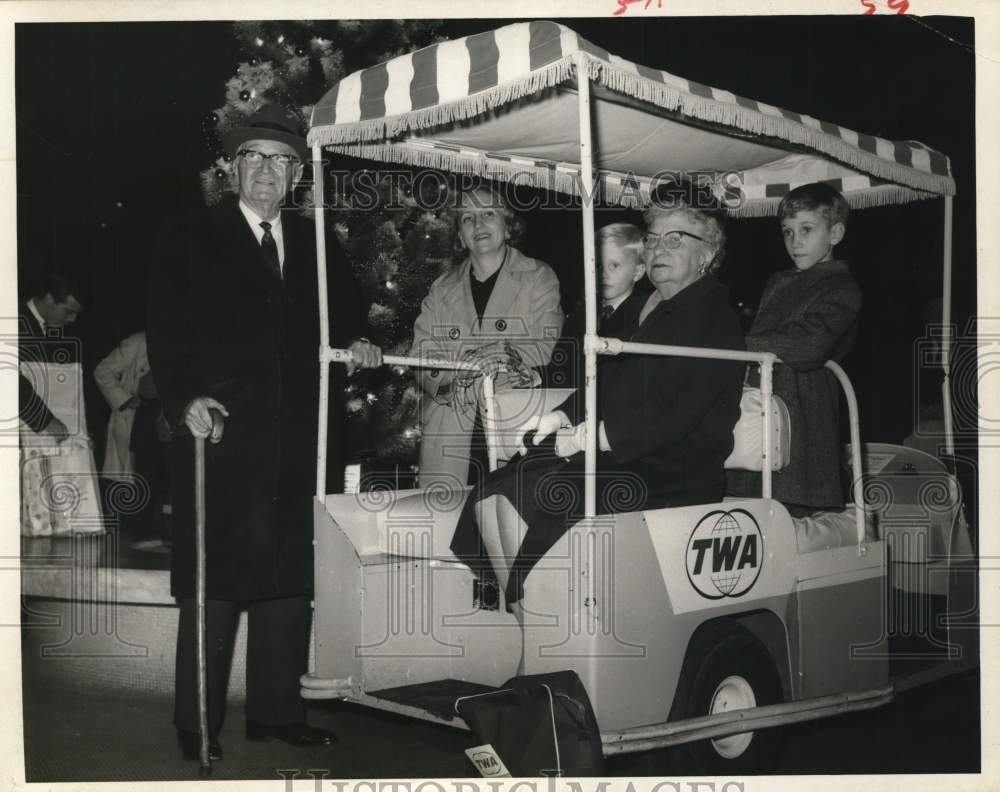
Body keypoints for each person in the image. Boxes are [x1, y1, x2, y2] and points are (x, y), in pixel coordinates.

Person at [146, 103, 382, 761]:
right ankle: (196, 722)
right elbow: (165, 329)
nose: (266, 171)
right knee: (214, 580)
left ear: (298, 176)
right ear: (233, 167)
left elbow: (348, 317)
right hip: (221, 434)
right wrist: (184, 397)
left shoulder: (315, 241)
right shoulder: (192, 235)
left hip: (300, 438)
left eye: (281, 161)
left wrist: (361, 340)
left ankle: (276, 713)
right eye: (253, 157)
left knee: (290, 577)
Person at [450, 181, 745, 612]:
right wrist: (561, 417)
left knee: (553, 489)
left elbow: (673, 415)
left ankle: (541, 606)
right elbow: (608, 383)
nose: (658, 249)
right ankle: (500, 594)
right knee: (507, 476)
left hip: (675, 471)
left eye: (676, 239)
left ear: (708, 252)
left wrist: (591, 437)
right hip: (632, 457)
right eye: (653, 238)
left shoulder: (712, 317)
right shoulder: (653, 309)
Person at [410, 185, 563, 488]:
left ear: (508, 226)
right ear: (460, 235)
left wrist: (492, 359)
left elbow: (547, 346)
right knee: (448, 516)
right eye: (467, 218)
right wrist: (460, 378)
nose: (478, 224)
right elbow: (421, 357)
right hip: (450, 435)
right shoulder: (441, 289)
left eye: (488, 214)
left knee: (506, 514)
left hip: (514, 428)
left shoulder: (538, 277)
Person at [731, 182, 862, 515]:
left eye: (806, 230)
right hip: (760, 411)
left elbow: (808, 344)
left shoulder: (841, 286)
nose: (795, 242)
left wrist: (735, 343)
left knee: (790, 516)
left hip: (805, 415)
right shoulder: (778, 281)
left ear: (835, 234)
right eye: (787, 232)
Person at [546, 222, 650, 390]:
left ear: (638, 272)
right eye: (598, 266)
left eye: (614, 265)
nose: (603, 274)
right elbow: (560, 368)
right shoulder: (582, 314)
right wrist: (536, 375)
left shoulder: (643, 316)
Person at [19, 270, 85, 442]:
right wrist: (45, 420)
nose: (73, 319)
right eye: (68, 311)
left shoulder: (53, 329)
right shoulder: (14, 321)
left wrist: (77, 432)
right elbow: (7, 378)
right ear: (49, 299)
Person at [94, 331, 150, 480]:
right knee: (133, 479)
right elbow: (102, 371)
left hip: (164, 421)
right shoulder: (139, 342)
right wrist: (125, 399)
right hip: (135, 419)